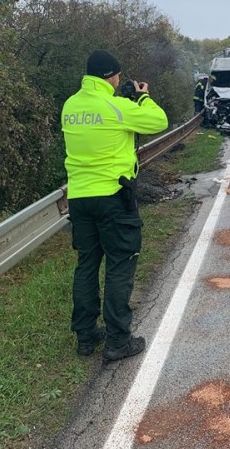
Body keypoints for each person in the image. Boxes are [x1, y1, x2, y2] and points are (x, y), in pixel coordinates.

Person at [61, 49, 168, 362]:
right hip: (113, 197)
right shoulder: (117, 107)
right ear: (110, 76)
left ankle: (85, 337)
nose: (120, 80)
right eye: (118, 75)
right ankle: (118, 340)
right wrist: (142, 97)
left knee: (87, 265)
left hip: (79, 198)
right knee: (120, 265)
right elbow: (159, 121)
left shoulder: (70, 105)